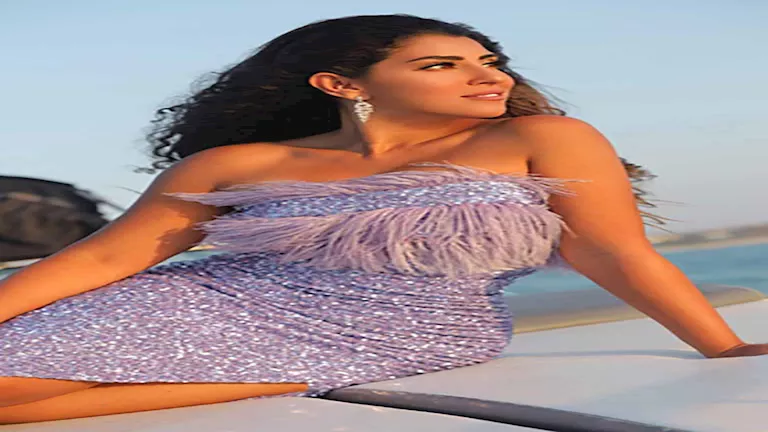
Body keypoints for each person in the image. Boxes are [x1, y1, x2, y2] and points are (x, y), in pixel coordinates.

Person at [0, 14, 765, 425]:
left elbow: (615, 253)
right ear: (342, 84)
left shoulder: (542, 137)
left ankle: (281, 377)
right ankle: (272, 376)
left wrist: (721, 345)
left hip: (414, 331)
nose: (487, 76)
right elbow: (103, 260)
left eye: (488, 61)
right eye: (443, 64)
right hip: (207, 302)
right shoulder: (234, 163)